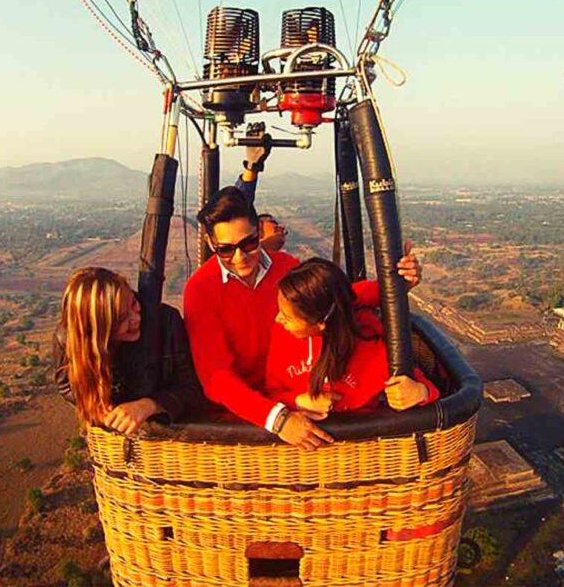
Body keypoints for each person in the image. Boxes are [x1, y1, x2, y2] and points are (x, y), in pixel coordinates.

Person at [183, 187, 422, 449]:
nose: (240, 258)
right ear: (210, 243)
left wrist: (395, 287)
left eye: (249, 243)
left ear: (258, 232)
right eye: (226, 250)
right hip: (246, 414)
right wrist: (278, 418)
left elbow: (331, 298)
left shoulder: (285, 266)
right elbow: (217, 380)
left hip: (298, 391)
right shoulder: (201, 290)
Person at [265, 258, 438, 437]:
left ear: (319, 324)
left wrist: (420, 392)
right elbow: (271, 393)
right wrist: (298, 401)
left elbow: (423, 386)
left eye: (287, 317)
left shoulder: (373, 353)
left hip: (354, 447)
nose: (278, 319)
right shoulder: (282, 335)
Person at [53, 267, 203, 433]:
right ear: (98, 331)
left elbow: (193, 389)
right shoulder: (70, 340)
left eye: (134, 303)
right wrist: (100, 408)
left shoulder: (166, 322)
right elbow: (68, 386)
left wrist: (151, 405)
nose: (136, 318)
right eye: (121, 319)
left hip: (170, 431)